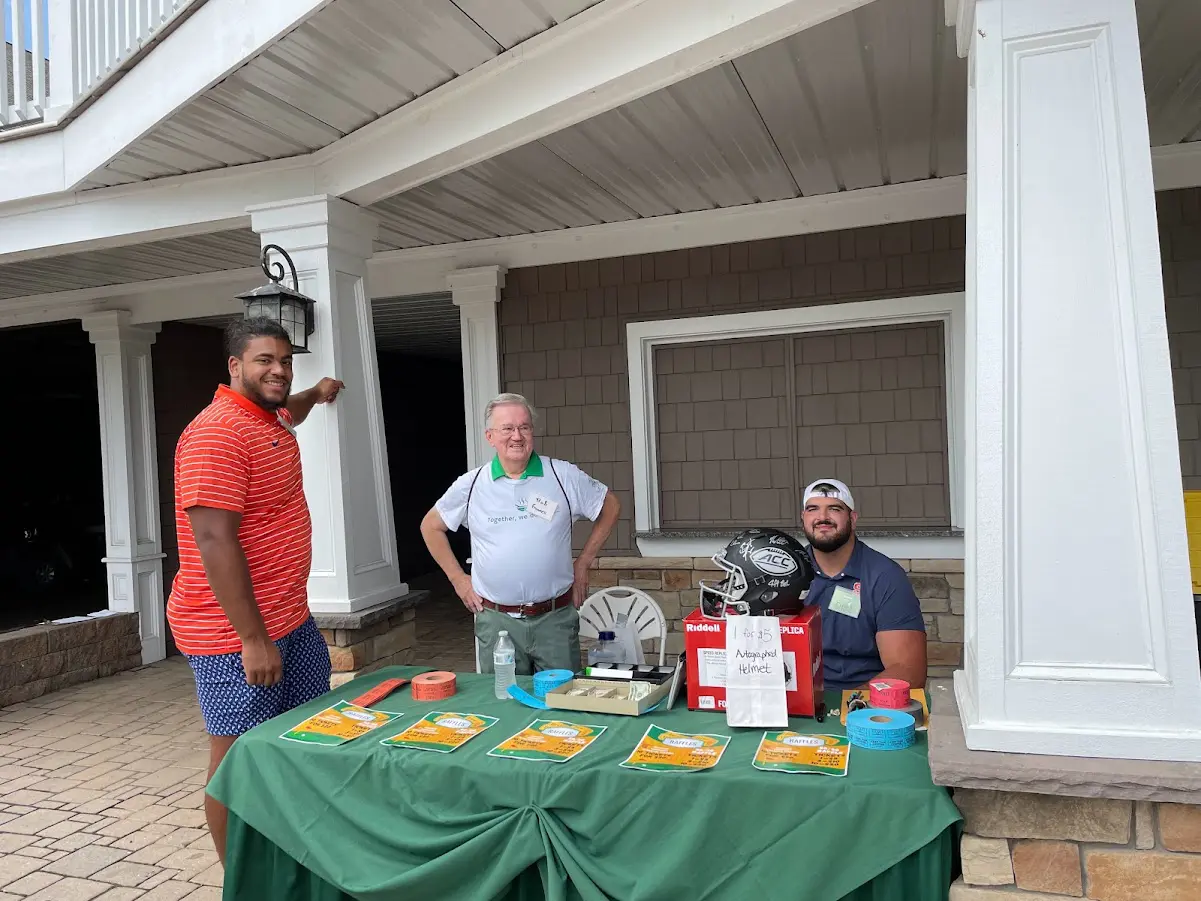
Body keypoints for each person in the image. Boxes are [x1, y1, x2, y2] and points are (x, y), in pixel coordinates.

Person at [168, 317, 344, 865]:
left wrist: (316, 392)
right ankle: (240, 881)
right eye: (265, 360)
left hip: (290, 620)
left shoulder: (268, 416)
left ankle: (291, 856)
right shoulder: (217, 433)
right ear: (234, 366)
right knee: (238, 756)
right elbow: (213, 539)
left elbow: (292, 404)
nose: (278, 370)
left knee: (303, 737)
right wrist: (253, 638)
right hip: (232, 635)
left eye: (285, 361)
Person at [420, 393, 620, 674]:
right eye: (507, 428)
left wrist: (584, 561)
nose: (517, 436)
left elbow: (609, 505)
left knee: (561, 703)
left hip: (554, 620)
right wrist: (458, 579)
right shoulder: (473, 484)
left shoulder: (562, 476)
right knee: (503, 706)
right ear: (490, 437)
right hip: (498, 623)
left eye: (524, 427)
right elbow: (430, 526)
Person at [799, 478, 927, 692]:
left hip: (863, 701)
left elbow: (908, 671)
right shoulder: (786, 572)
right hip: (795, 697)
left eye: (834, 509)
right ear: (803, 518)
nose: (822, 518)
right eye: (813, 509)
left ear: (853, 518)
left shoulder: (885, 577)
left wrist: (853, 703)